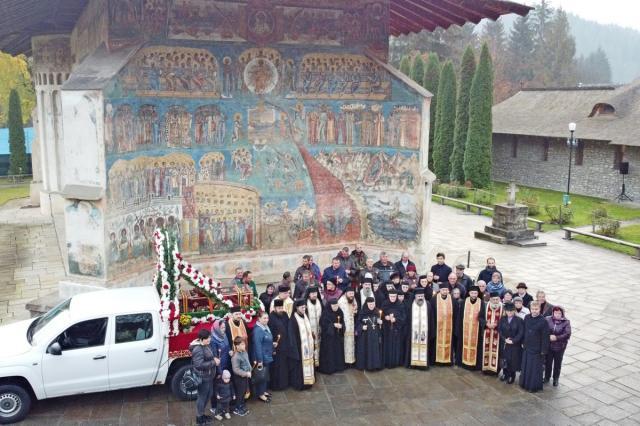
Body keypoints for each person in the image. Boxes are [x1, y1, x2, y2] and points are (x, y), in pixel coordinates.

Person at [520, 301, 550, 393]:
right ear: (530, 309)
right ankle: (525, 384)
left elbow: (545, 336)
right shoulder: (527, 317)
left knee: (534, 369)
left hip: (537, 349)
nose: (534, 311)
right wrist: (522, 342)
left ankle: (533, 386)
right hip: (527, 347)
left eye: (536, 309)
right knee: (526, 366)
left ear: (539, 309)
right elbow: (524, 331)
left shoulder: (543, 321)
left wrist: (543, 350)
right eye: (533, 309)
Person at [288, 299, 315, 390]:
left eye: (305, 307)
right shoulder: (293, 320)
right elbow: (292, 337)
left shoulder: (305, 316)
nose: (304, 308)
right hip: (299, 348)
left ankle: (309, 382)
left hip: (308, 347)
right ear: (296, 308)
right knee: (299, 368)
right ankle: (300, 385)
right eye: (302, 307)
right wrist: (295, 350)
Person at [190, 328, 215, 425]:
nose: (209, 340)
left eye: (209, 337)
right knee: (202, 397)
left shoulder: (205, 345)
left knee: (208, 394)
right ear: (201, 339)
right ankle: (199, 417)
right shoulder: (198, 349)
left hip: (209, 375)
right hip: (203, 377)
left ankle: (202, 414)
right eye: (207, 338)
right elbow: (199, 365)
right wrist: (213, 362)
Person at [458, 286, 485, 370]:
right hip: (465, 329)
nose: (474, 295)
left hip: (476, 330)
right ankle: (463, 362)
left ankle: (475, 365)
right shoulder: (464, 302)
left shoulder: (481, 302)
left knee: (477, 346)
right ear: (469, 293)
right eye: (472, 293)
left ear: (478, 294)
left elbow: (483, 316)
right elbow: (460, 316)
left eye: (475, 293)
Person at [405, 288, 433, 369]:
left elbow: (431, 318)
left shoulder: (428, 304)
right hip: (413, 332)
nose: (420, 297)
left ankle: (423, 365)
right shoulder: (411, 304)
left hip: (424, 332)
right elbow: (408, 319)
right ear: (415, 296)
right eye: (418, 296)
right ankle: (413, 364)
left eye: (422, 296)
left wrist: (431, 330)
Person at [545, 306, 571, 387]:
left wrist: (556, 338)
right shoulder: (547, 319)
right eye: (556, 313)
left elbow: (567, 334)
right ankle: (546, 377)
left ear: (562, 314)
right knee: (548, 363)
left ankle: (556, 378)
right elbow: (544, 329)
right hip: (549, 346)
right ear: (553, 313)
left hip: (560, 347)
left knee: (557, 363)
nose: (557, 315)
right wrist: (548, 336)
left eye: (559, 313)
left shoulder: (566, 322)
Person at [430, 285, 456, 366]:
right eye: (443, 289)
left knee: (449, 343)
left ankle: (447, 360)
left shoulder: (452, 299)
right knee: (436, 343)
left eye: (446, 289)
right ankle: (436, 360)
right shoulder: (434, 299)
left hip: (449, 327)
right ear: (440, 290)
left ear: (448, 290)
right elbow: (431, 314)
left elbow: (456, 313)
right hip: (437, 327)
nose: (445, 291)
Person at [498, 302, 524, 384]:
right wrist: (504, 339)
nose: (509, 312)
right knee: (505, 359)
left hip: (514, 344)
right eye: (508, 311)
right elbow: (500, 331)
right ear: (505, 311)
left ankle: (512, 376)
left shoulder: (519, 320)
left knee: (513, 361)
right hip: (505, 343)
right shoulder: (502, 319)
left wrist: (513, 340)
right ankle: (505, 374)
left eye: (511, 311)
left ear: (514, 311)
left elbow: (521, 333)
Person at [355, 297, 384, 371]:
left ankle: (375, 366)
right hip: (365, 336)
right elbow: (357, 323)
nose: (372, 306)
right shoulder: (362, 312)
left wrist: (380, 322)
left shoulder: (377, 311)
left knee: (375, 350)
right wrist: (361, 327)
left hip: (375, 335)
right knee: (366, 349)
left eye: (373, 304)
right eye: (370, 304)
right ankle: (366, 366)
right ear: (367, 304)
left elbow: (381, 323)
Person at [318, 299, 345, 374]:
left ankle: (338, 367)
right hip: (328, 338)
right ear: (330, 306)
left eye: (337, 305)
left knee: (337, 351)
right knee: (329, 352)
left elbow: (343, 321)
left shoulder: (340, 311)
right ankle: (329, 368)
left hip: (337, 336)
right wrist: (333, 325)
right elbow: (323, 324)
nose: (336, 307)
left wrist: (342, 326)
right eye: (334, 306)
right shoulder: (326, 313)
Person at [381, 289, 406, 368]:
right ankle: (387, 362)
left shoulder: (400, 305)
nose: (392, 298)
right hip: (387, 329)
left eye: (394, 296)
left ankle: (396, 362)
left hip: (397, 329)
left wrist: (396, 319)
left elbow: (404, 317)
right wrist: (385, 317)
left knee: (396, 345)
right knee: (387, 345)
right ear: (388, 296)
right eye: (391, 296)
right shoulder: (385, 303)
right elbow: (380, 314)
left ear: (396, 296)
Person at [268, 299, 289, 391]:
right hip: (276, 346)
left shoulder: (284, 314)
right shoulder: (271, 317)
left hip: (285, 345)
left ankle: (284, 384)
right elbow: (270, 332)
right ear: (275, 308)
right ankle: (276, 385)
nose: (280, 309)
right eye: (279, 308)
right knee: (277, 367)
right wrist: (273, 343)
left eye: (281, 307)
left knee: (284, 366)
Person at [252, 312, 273, 403]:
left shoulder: (265, 327)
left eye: (267, 318)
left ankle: (263, 391)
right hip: (262, 357)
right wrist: (260, 360)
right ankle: (260, 394)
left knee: (265, 375)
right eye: (264, 318)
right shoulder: (258, 330)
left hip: (267, 355)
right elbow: (258, 346)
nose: (266, 320)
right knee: (261, 375)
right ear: (259, 319)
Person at [209, 319, 229, 415]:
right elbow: (215, 356)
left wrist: (230, 351)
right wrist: (219, 371)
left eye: (224, 327)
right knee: (216, 387)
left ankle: (223, 405)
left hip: (225, 364)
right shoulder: (213, 340)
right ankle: (214, 406)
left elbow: (227, 346)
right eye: (221, 328)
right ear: (217, 328)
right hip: (218, 367)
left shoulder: (224, 335)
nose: (223, 330)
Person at [482, 292, 503, 375]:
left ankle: (495, 371)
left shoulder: (503, 307)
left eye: (497, 299)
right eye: (493, 299)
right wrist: (486, 324)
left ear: (499, 299)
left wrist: (496, 325)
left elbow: (505, 320)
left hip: (498, 334)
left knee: (497, 353)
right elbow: (480, 317)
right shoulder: (485, 306)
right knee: (485, 350)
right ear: (490, 299)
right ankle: (486, 369)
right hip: (486, 332)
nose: (495, 301)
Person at [337, 287, 358, 367]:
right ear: (346, 293)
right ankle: (345, 362)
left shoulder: (353, 299)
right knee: (345, 344)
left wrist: (355, 311)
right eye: (350, 293)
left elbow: (355, 308)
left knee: (352, 343)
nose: (351, 295)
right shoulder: (341, 301)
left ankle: (351, 361)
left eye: (352, 294)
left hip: (352, 326)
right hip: (345, 327)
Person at [231, 336, 251, 416]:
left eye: (244, 344)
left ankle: (241, 405)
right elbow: (236, 370)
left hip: (245, 376)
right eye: (242, 344)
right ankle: (237, 408)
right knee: (240, 393)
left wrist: (249, 370)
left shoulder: (244, 351)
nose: (244, 346)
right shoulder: (235, 357)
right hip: (239, 378)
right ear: (237, 346)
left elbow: (247, 361)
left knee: (243, 392)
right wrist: (246, 373)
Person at [305, 287, 323, 367]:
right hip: (310, 330)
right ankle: (313, 364)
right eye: (312, 294)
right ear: (308, 294)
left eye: (315, 293)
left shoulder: (319, 301)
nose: (314, 295)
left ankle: (319, 362)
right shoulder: (305, 303)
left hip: (319, 329)